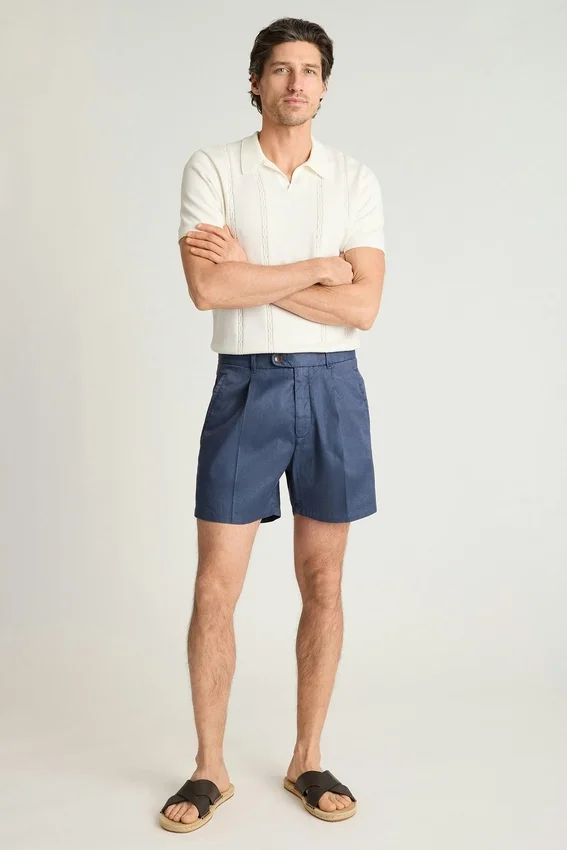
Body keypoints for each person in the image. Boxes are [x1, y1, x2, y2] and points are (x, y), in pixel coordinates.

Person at [158, 16, 386, 833]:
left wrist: (254, 273)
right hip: (245, 385)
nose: (295, 82)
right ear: (254, 81)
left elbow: (363, 306)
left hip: (333, 389)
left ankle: (306, 757)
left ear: (324, 86)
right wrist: (317, 269)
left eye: (309, 70)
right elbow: (208, 292)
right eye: (280, 69)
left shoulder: (352, 178)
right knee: (214, 587)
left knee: (323, 583)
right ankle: (208, 768)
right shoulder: (213, 168)